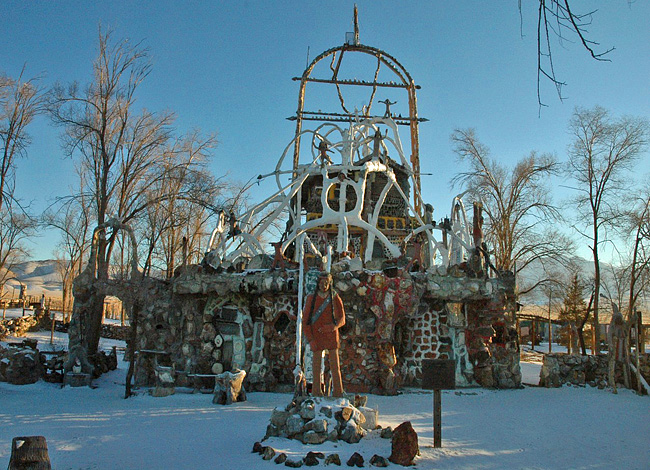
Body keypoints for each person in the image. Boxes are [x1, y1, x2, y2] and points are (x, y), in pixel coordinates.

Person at [302, 272, 346, 397]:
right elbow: (306, 321)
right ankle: (316, 391)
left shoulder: (334, 297)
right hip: (317, 336)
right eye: (322, 282)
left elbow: (342, 318)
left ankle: (338, 392)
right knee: (316, 367)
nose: (324, 285)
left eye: (326, 282)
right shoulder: (312, 298)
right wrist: (310, 339)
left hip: (331, 336)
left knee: (335, 366)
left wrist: (333, 326)